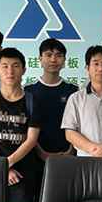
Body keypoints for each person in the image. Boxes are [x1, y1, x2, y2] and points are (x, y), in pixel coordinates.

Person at [0, 48, 41, 202]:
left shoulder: (33, 102)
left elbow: (31, 140)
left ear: (24, 70)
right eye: (5, 66)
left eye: (15, 66)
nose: (10, 71)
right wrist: (2, 167)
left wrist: (8, 164)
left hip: (23, 171)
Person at [24, 38, 78, 175]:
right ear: (40, 59)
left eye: (59, 55)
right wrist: (41, 153)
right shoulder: (28, 91)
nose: (53, 59)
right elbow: (25, 126)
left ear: (64, 60)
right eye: (48, 55)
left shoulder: (73, 90)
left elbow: (79, 124)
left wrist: (71, 150)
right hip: (34, 156)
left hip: (68, 156)